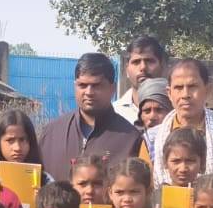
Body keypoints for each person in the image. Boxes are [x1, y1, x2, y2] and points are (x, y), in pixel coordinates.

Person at [39, 53, 144, 183]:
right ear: (75, 86)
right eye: (82, 85)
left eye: (96, 85)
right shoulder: (52, 133)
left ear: (112, 88)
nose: (89, 92)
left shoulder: (130, 140)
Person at [144, 58, 213, 182]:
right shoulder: (151, 140)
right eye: (179, 88)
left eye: (192, 86)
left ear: (207, 90)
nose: (185, 95)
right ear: (169, 93)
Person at [114, 35, 167, 126]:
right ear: (127, 70)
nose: (143, 67)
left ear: (162, 66)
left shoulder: (177, 109)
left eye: (149, 61)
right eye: (136, 62)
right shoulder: (114, 113)